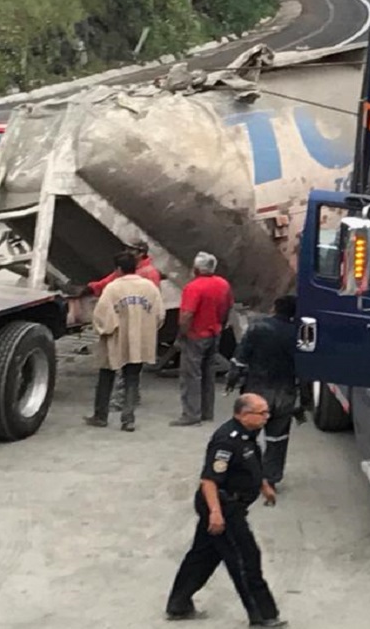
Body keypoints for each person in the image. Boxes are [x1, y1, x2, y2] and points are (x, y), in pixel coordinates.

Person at [165, 393, 286, 627]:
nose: (266, 417)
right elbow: (209, 480)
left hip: (231, 503)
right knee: (245, 557)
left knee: (204, 554)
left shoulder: (248, 434)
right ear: (242, 414)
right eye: (261, 413)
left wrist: (263, 485)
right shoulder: (226, 441)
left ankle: (178, 604)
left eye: (266, 412)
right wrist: (216, 513)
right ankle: (262, 615)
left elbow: (249, 464)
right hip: (223, 505)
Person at [226, 295, 301, 493]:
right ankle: (270, 479)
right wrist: (305, 401)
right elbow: (305, 371)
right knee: (277, 439)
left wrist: (232, 381)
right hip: (285, 394)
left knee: (246, 436)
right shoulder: (298, 334)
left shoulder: (258, 328)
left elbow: (240, 359)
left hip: (257, 392)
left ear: (275, 308)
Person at [85, 252, 164, 432]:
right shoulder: (150, 288)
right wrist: (146, 329)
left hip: (115, 339)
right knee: (132, 379)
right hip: (139, 341)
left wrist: (105, 330)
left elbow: (100, 315)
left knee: (106, 377)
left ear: (119, 269)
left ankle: (100, 416)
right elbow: (159, 315)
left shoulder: (113, 288)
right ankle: (128, 419)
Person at [170, 252, 234, 427]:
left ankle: (191, 414)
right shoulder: (223, 284)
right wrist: (220, 325)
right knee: (208, 373)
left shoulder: (194, 287)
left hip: (195, 335)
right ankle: (206, 411)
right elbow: (227, 307)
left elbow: (187, 315)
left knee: (191, 375)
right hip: (214, 333)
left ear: (197, 269)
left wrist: (182, 335)